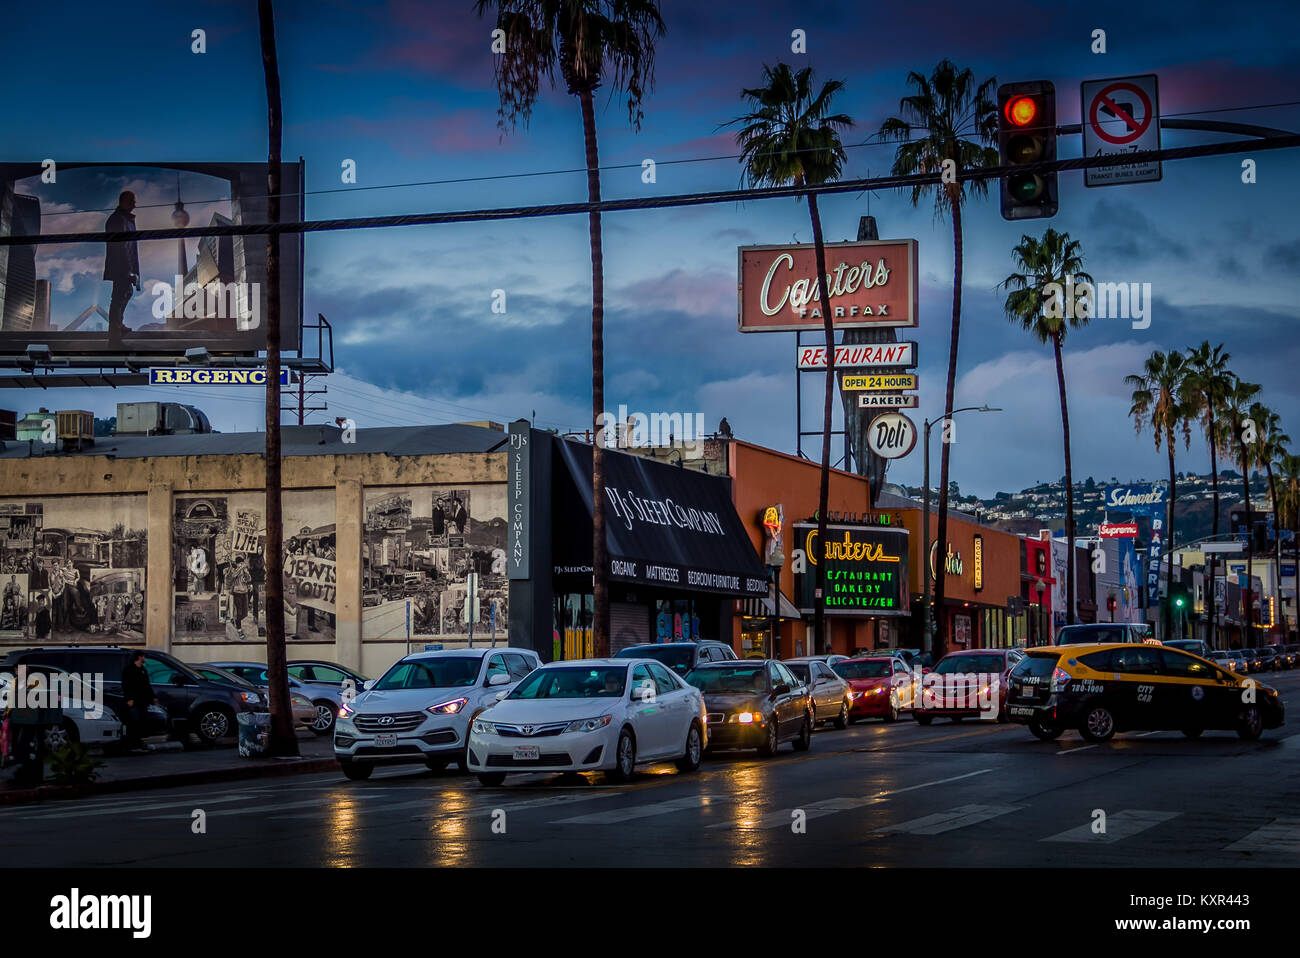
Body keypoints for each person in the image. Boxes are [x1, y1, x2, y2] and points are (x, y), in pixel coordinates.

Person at [103, 190, 141, 349]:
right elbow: (121, 247)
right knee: (118, 298)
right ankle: (114, 336)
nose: (134, 204)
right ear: (123, 201)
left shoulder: (125, 219)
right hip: (122, 265)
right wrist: (129, 270)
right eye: (131, 200)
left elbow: (129, 246)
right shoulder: (118, 219)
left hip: (125, 265)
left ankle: (118, 326)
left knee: (125, 293)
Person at [120, 650, 157, 753]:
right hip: (134, 701)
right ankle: (132, 744)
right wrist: (129, 699)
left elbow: (147, 685)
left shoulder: (143, 670)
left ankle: (138, 743)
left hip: (143, 701)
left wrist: (153, 697)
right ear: (139, 657)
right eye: (143, 656)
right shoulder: (129, 670)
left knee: (141, 722)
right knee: (133, 722)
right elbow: (126, 685)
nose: (144, 658)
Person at [228, 554, 252, 639]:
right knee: (239, 611)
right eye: (240, 563)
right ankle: (239, 629)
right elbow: (233, 576)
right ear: (237, 564)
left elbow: (249, 579)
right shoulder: (234, 569)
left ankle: (235, 619)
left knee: (245, 613)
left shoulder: (244, 570)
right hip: (237, 592)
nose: (241, 565)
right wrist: (241, 568)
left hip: (245, 592)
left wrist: (246, 574)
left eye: (242, 563)